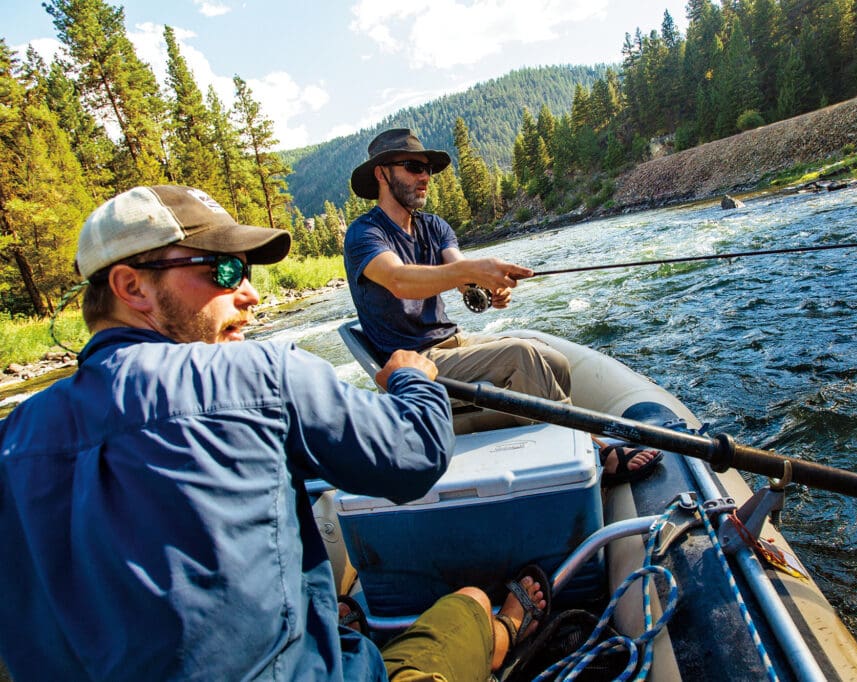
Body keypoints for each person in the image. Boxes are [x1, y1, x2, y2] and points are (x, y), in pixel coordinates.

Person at [0, 184, 545, 681]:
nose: (251, 294)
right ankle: (505, 632)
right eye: (225, 271)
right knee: (468, 603)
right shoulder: (257, 375)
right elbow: (416, 455)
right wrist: (412, 380)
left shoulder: (12, 440)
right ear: (131, 286)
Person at [344, 129, 661, 482]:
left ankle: (553, 447)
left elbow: (458, 271)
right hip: (414, 361)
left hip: (453, 343)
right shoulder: (364, 234)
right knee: (520, 356)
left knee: (552, 359)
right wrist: (471, 270)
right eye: (412, 167)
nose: (424, 178)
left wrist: (487, 286)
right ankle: (596, 451)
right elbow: (399, 279)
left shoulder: (433, 226)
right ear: (381, 173)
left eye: (428, 170)